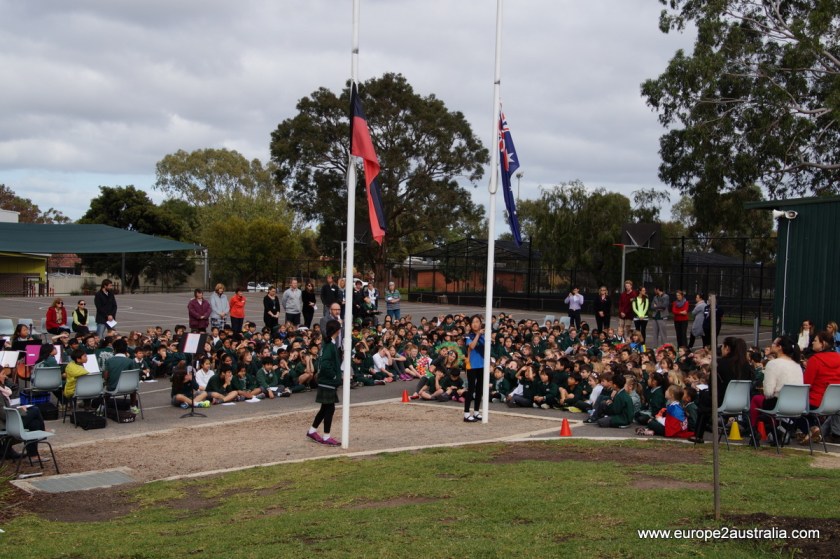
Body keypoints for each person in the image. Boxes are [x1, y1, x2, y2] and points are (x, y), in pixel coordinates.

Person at [307, 319, 342, 446]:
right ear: (337, 331)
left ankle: (312, 430)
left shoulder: (327, 344)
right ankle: (326, 436)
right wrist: (334, 376)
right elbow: (325, 364)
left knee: (325, 408)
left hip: (325, 382)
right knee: (329, 409)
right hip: (327, 382)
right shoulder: (329, 346)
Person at [802, 332, 840, 443]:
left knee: (793, 408)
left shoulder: (815, 360)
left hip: (816, 401)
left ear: (822, 343)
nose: (812, 342)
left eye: (815, 340)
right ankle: (816, 431)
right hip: (835, 402)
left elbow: (806, 384)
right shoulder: (839, 358)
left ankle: (811, 429)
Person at [463, 314, 485, 422]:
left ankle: (476, 411)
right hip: (471, 365)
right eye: (473, 322)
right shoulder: (468, 336)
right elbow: (471, 346)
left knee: (480, 389)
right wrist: (478, 335)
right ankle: (466, 413)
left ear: (480, 323)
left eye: (477, 322)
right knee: (471, 389)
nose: (475, 324)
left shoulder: (485, 336)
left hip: (482, 365)